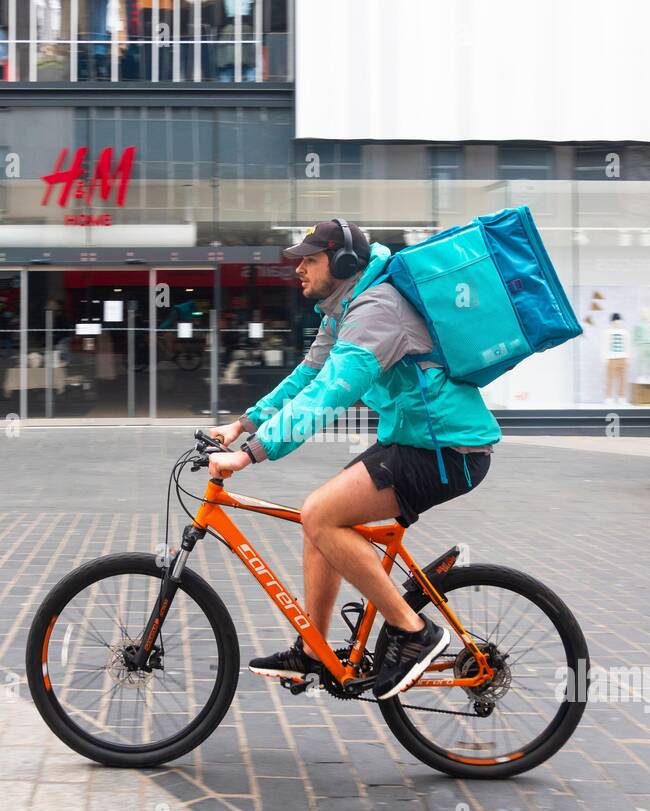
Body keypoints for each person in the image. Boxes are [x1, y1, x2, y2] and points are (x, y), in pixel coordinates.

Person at [206, 220, 501, 699]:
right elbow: (307, 376)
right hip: (413, 437)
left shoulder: (377, 310)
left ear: (343, 263)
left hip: (448, 450)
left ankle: (414, 632)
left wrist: (253, 454)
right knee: (316, 516)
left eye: (310, 259)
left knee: (321, 513)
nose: (299, 268)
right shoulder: (342, 311)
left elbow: (332, 393)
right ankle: (313, 649)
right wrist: (244, 424)